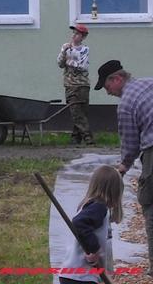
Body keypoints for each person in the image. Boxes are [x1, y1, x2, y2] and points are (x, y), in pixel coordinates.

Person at [96, 59, 153, 276]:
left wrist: (121, 168)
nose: (108, 92)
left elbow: (130, 144)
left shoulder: (127, 103)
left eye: (107, 86)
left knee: (150, 205)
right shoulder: (149, 83)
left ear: (117, 79)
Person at [57, 164, 123, 284]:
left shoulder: (91, 205)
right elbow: (79, 223)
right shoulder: (99, 207)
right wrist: (94, 249)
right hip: (81, 277)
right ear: (115, 191)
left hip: (74, 275)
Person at [58, 24, 94, 146]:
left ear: (83, 37)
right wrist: (64, 53)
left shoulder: (85, 49)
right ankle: (88, 137)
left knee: (81, 112)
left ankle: (75, 138)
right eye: (73, 33)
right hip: (70, 84)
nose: (74, 36)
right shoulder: (65, 47)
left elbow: (82, 66)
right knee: (75, 111)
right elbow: (60, 63)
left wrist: (70, 61)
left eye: (77, 34)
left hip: (83, 84)